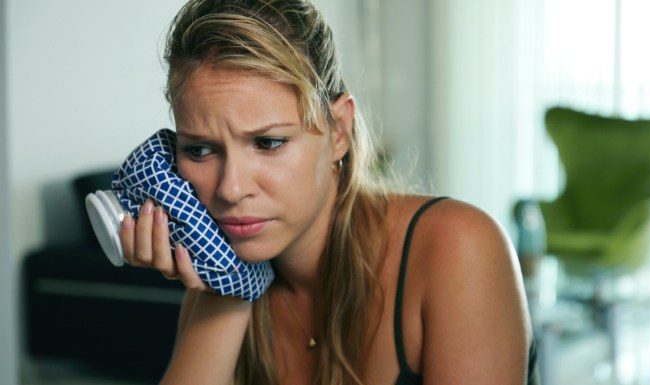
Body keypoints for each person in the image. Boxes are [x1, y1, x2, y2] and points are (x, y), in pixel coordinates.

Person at [119, 0, 539, 384]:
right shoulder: (220, 276)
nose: (230, 189)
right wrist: (226, 293)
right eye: (200, 149)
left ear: (338, 131)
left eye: (268, 143)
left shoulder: (458, 248)